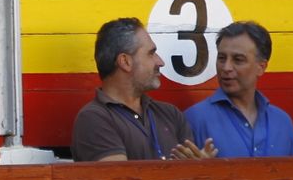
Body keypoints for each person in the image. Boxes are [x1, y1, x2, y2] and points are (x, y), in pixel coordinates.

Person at [71, 16, 215, 162]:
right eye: (151, 53)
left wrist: (200, 169)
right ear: (125, 62)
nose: (160, 62)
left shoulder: (170, 114)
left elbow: (194, 178)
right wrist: (182, 170)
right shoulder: (93, 118)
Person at [183, 21, 293, 158]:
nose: (226, 67)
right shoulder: (194, 119)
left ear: (261, 67)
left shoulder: (282, 122)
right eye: (221, 58)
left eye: (238, 60)